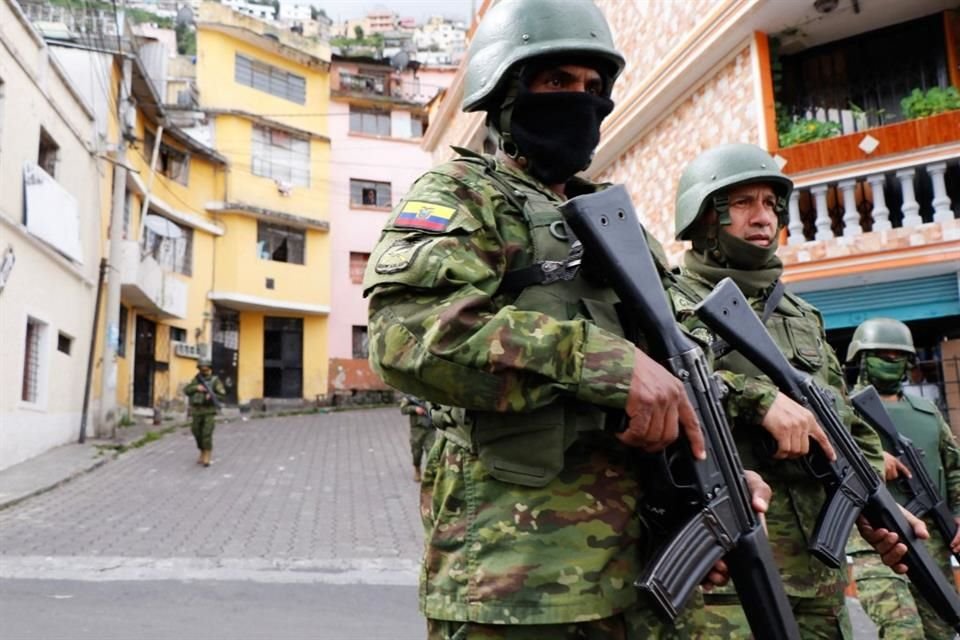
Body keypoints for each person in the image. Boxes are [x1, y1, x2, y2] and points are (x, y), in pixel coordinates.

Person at [363, 3, 917, 637]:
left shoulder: (622, 230)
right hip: (517, 580)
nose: (580, 101)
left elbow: (689, 367)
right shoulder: (463, 194)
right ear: (506, 92)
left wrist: (726, 477)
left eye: (594, 88)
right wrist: (610, 365)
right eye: (556, 82)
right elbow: (408, 334)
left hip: (644, 579)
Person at [667, 143, 897, 638]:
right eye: (744, 202)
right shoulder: (667, 301)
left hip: (820, 574)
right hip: (729, 569)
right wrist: (759, 400)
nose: (763, 216)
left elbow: (858, 433)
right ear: (706, 216)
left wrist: (874, 503)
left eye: (772, 204)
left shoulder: (802, 314)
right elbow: (665, 393)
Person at [845, 317, 960, 639]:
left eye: (898, 356)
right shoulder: (842, 410)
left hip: (932, 541)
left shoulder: (927, 412)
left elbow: (953, 468)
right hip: (874, 541)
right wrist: (870, 458)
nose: (891, 363)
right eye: (882, 355)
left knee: (942, 629)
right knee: (902, 632)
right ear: (862, 358)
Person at [184, 359, 225, 467]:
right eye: (201, 368)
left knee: (206, 433)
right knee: (196, 432)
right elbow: (187, 390)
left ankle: (207, 453)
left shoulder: (215, 380)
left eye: (205, 368)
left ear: (209, 368)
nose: (203, 370)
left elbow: (222, 395)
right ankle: (202, 450)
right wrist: (196, 387)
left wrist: (212, 396)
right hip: (197, 411)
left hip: (209, 411)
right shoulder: (197, 379)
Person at [399, 394, 435, 482]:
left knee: (432, 451)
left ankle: (431, 474)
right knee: (416, 452)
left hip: (430, 428)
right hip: (417, 429)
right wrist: (415, 409)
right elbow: (403, 410)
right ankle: (417, 470)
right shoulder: (411, 395)